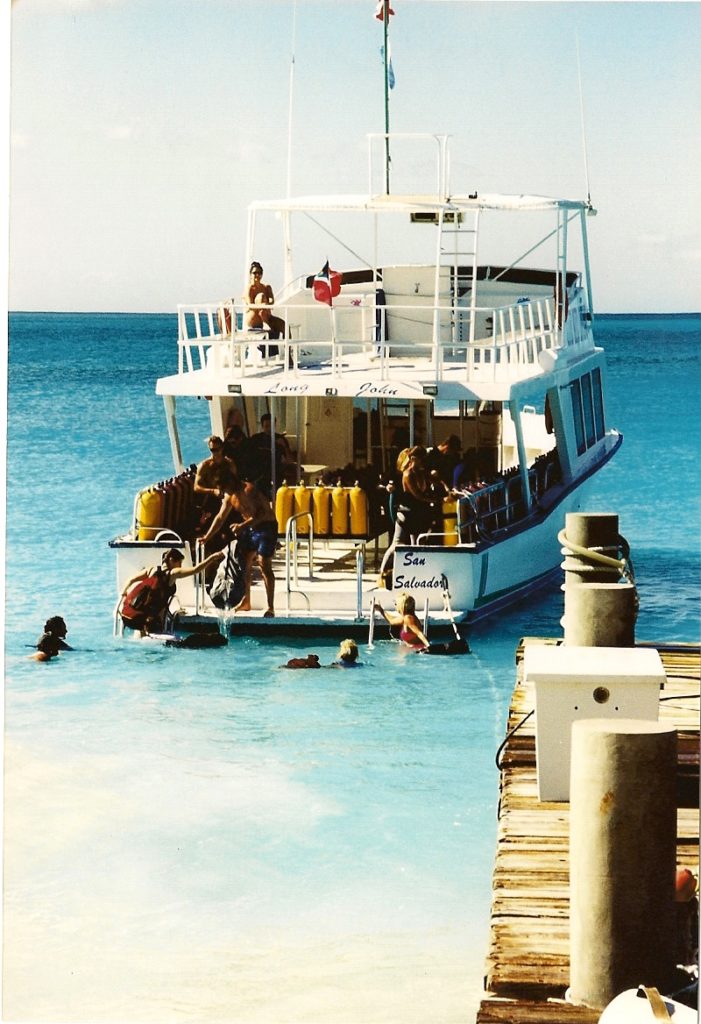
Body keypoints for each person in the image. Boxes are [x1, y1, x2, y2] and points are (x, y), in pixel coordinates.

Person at [202, 477, 277, 617]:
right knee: (243, 564)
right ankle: (246, 601)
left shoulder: (248, 490)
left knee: (264, 565)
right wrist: (207, 536)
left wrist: (241, 526)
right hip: (250, 529)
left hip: (266, 526)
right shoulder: (229, 496)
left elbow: (261, 514)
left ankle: (270, 607)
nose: (222, 492)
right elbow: (220, 518)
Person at [120, 547, 225, 636]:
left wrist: (124, 592)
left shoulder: (151, 570)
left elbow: (130, 579)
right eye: (180, 562)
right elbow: (195, 570)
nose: (180, 566)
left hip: (128, 616)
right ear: (172, 560)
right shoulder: (173, 573)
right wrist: (212, 558)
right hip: (149, 621)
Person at [243, 261, 286, 352]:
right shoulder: (249, 288)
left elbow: (271, 300)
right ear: (250, 274)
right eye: (255, 273)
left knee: (284, 326)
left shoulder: (266, 287)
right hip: (255, 321)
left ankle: (289, 354)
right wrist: (262, 305)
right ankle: (265, 324)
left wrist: (266, 305)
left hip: (267, 317)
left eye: (259, 273)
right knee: (261, 296)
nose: (257, 275)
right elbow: (250, 304)